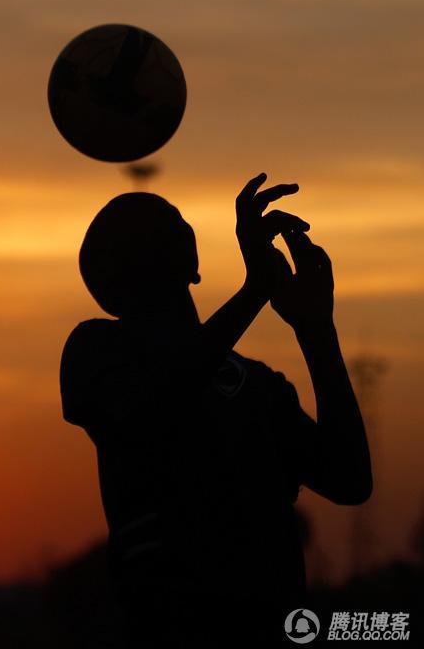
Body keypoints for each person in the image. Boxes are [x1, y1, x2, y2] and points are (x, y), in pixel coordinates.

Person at [59, 174, 372, 647]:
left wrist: (315, 330)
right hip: (172, 626)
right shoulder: (97, 349)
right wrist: (255, 292)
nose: (174, 234)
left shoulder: (258, 384)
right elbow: (157, 405)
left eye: (171, 225)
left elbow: (349, 480)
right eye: (143, 236)